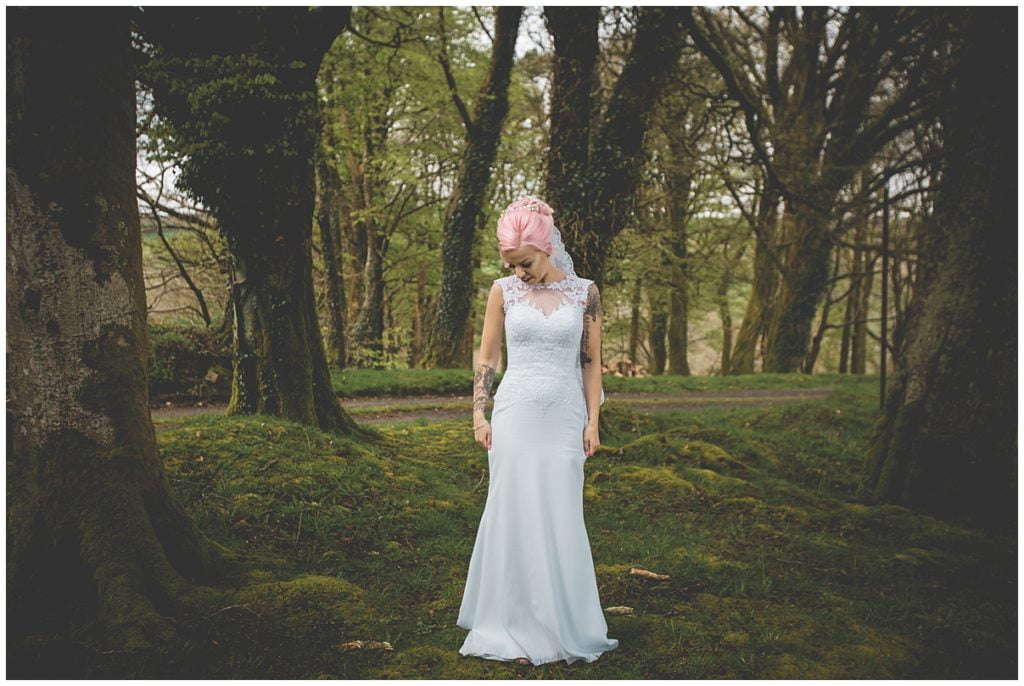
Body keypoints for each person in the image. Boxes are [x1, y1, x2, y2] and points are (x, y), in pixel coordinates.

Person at [456, 195, 618, 667]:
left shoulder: (586, 293)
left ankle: (561, 622)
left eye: (524, 262)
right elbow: (487, 358)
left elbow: (590, 363)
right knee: (513, 512)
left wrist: (593, 421)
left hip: (564, 417)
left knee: (560, 514)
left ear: (546, 247)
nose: (519, 272)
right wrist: (479, 414)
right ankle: (511, 621)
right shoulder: (502, 291)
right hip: (515, 417)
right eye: (511, 264)